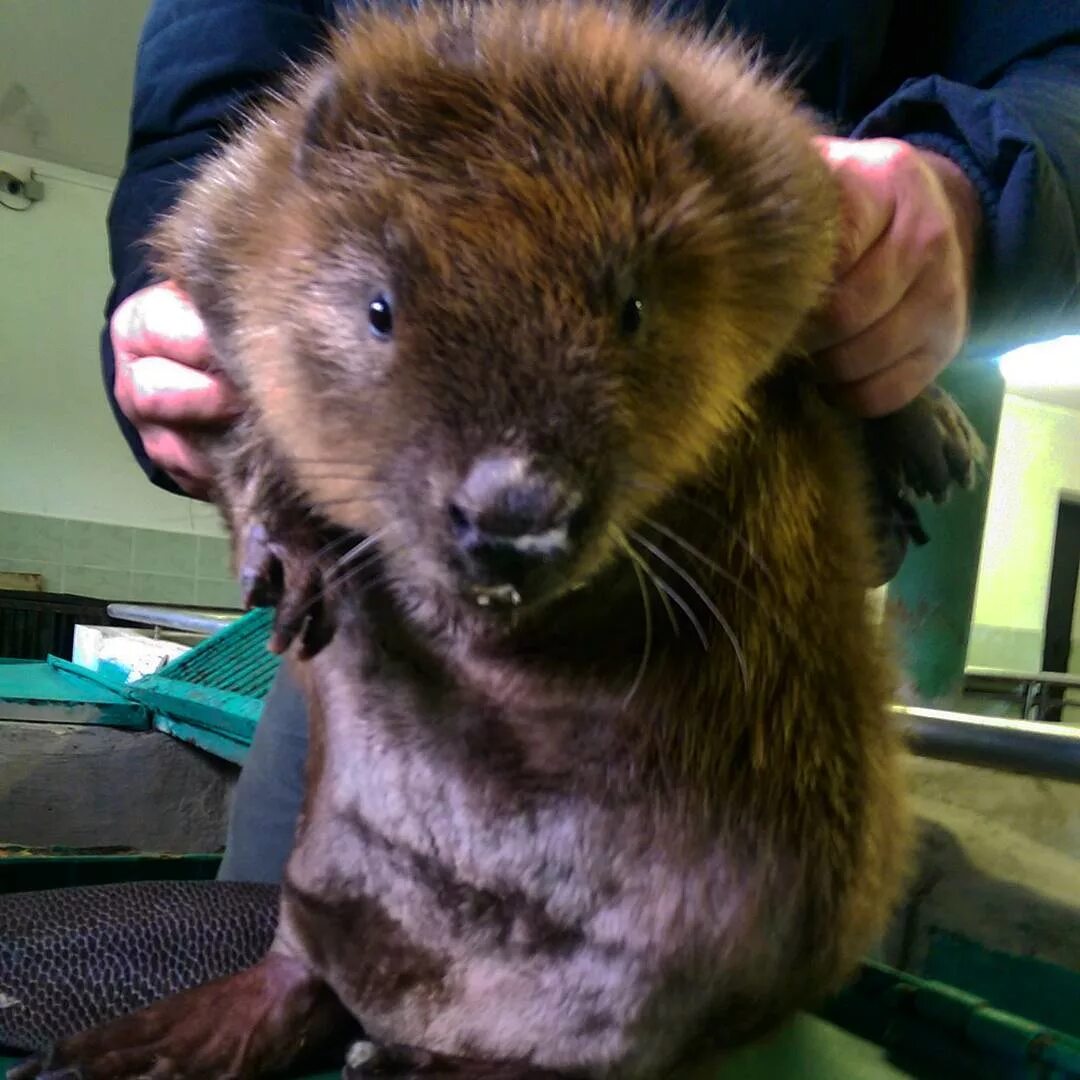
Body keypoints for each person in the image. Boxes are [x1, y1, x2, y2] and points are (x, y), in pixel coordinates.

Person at [103, 0, 1080, 883]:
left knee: (707, 975)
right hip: (374, 617)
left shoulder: (737, 162)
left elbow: (1057, 62)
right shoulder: (302, 189)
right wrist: (189, 357)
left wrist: (972, 195)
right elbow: (210, 133)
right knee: (318, 929)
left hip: (743, 598)